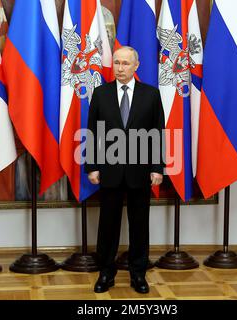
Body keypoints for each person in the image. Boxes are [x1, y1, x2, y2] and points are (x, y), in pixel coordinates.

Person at [85, 46, 165, 294]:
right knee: (108, 225)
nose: (120, 68)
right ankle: (106, 273)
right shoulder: (101, 94)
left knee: (139, 225)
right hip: (109, 171)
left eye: (125, 64)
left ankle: (138, 274)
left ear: (136, 66)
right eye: (117, 63)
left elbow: (157, 134)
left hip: (140, 172)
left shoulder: (150, 95)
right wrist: (93, 166)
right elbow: (93, 133)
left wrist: (157, 168)